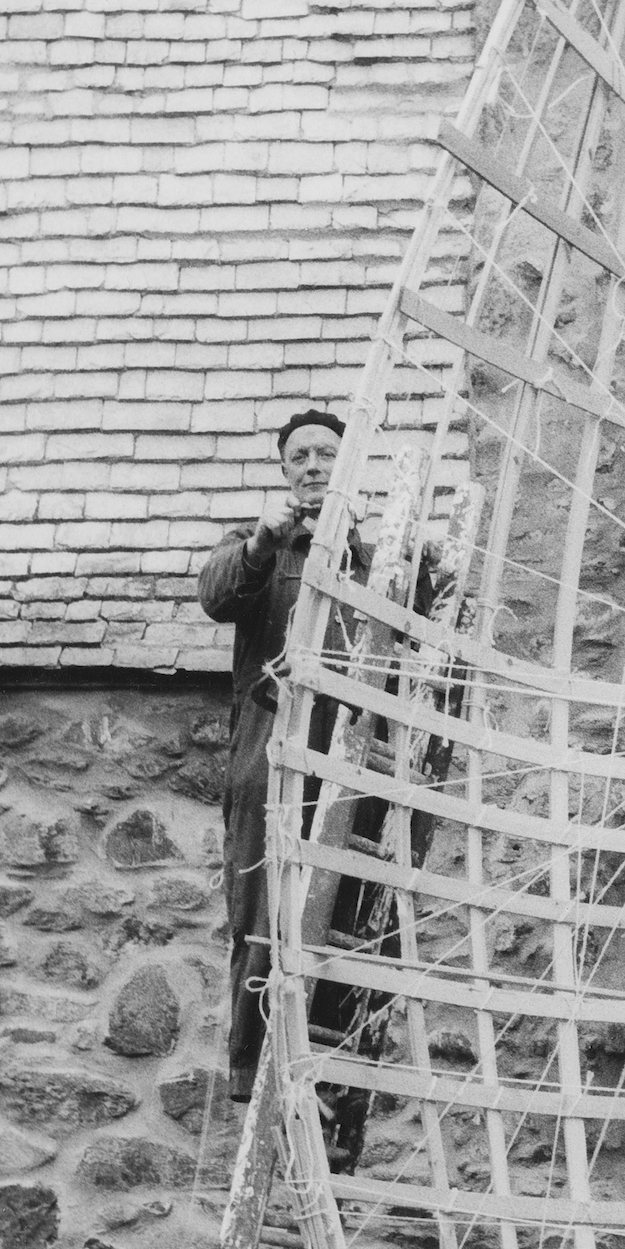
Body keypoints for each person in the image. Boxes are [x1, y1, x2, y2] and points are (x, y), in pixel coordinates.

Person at [197, 409, 362, 1109]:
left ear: (348, 465)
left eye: (328, 453)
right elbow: (216, 596)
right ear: (284, 469)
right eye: (301, 456)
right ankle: (254, 1064)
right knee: (259, 904)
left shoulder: (373, 554)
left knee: (342, 899)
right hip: (268, 746)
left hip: (346, 753)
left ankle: (335, 1060)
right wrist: (264, 541)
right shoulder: (257, 545)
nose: (314, 466)